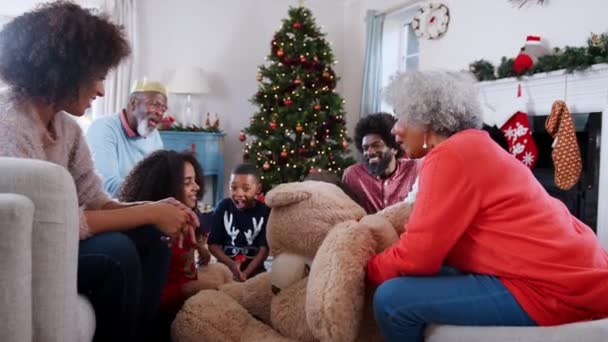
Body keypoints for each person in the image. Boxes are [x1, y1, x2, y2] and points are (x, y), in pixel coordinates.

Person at [0, 3, 198, 341]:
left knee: (152, 241)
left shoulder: (67, 129)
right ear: (65, 70)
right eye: (98, 77)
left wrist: (158, 209)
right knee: (117, 255)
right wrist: (149, 211)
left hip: (58, 243)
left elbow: (95, 200)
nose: (102, 91)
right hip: (31, 252)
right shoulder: (11, 124)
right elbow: (56, 225)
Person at [367, 70, 608, 341]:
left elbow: (417, 258)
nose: (394, 129)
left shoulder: (449, 156)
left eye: (400, 117)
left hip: (552, 288)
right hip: (571, 269)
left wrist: (368, 268)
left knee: (391, 300)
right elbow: (433, 245)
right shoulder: (474, 145)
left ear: (426, 120)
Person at [118, 150, 232, 341]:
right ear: (165, 188)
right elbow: (149, 299)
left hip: (189, 306)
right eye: (187, 182)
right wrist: (187, 289)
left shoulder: (184, 224)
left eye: (195, 180)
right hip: (165, 324)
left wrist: (200, 249)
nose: (196, 187)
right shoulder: (153, 238)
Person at [86, 79, 167, 197]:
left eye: (163, 109)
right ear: (133, 103)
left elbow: (159, 177)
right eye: (155, 105)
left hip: (142, 206)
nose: (160, 113)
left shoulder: (154, 135)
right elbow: (107, 186)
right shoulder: (104, 127)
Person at [342, 113, 419, 213]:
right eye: (365, 148)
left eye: (376, 145)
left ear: (394, 148)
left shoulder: (414, 169)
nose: (369, 152)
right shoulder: (352, 175)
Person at [208, 163, 270, 281]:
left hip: (255, 270)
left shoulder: (264, 211)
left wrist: (245, 273)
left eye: (246, 189)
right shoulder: (223, 207)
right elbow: (212, 245)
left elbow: (263, 250)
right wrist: (231, 264)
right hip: (225, 270)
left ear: (258, 189)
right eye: (234, 188)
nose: (239, 194)